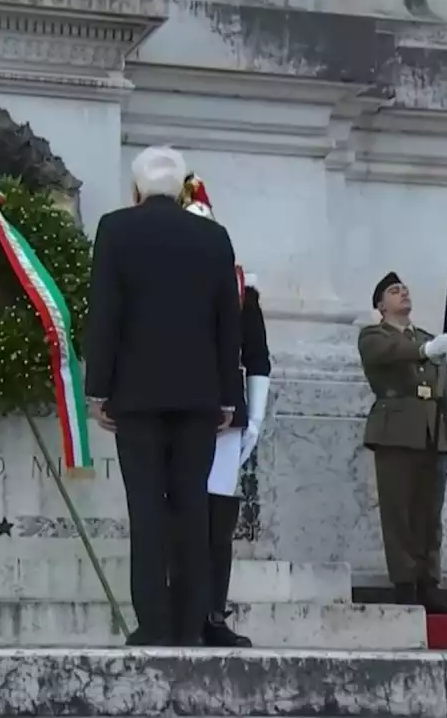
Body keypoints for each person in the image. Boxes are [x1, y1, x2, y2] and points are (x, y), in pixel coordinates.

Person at [84, 146, 242, 646]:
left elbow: (105, 311)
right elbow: (227, 323)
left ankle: (154, 622)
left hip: (136, 394)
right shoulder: (213, 237)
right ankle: (193, 622)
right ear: (181, 189)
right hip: (199, 396)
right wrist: (227, 396)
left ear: (136, 189)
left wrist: (98, 390)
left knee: (147, 510)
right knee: (193, 509)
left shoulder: (116, 229)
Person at [180, 174, 272, 647]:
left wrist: (254, 417)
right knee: (177, 516)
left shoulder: (241, 291)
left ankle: (212, 613)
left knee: (217, 521)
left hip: (225, 420)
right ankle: (177, 610)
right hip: (174, 413)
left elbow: (256, 356)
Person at [357, 271, 447, 615]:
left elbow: (444, 391)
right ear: (380, 305)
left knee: (429, 515)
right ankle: (404, 585)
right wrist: (424, 350)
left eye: (405, 289)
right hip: (396, 432)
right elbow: (390, 354)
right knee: (399, 513)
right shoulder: (374, 336)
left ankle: (429, 583)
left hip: (433, 434)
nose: (403, 294)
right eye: (393, 291)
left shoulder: (429, 340)